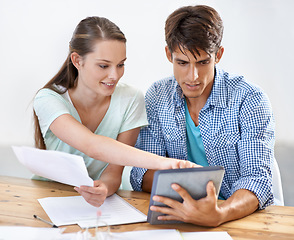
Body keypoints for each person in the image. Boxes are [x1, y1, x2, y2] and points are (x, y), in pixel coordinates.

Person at [130, 5, 275, 227]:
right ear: (169, 54)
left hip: (236, 216)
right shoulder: (158, 96)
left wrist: (219, 212)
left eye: (203, 62)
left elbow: (257, 180)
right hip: (179, 213)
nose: (193, 76)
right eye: (182, 63)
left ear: (218, 55)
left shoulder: (250, 99)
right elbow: (142, 174)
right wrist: (188, 190)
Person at [33, 16, 195, 207]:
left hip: (104, 206)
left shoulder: (131, 99)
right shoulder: (48, 99)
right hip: (49, 197)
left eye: (120, 65)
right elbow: (91, 145)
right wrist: (167, 164)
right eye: (104, 66)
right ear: (77, 60)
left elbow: (114, 172)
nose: (114, 75)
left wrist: (104, 188)